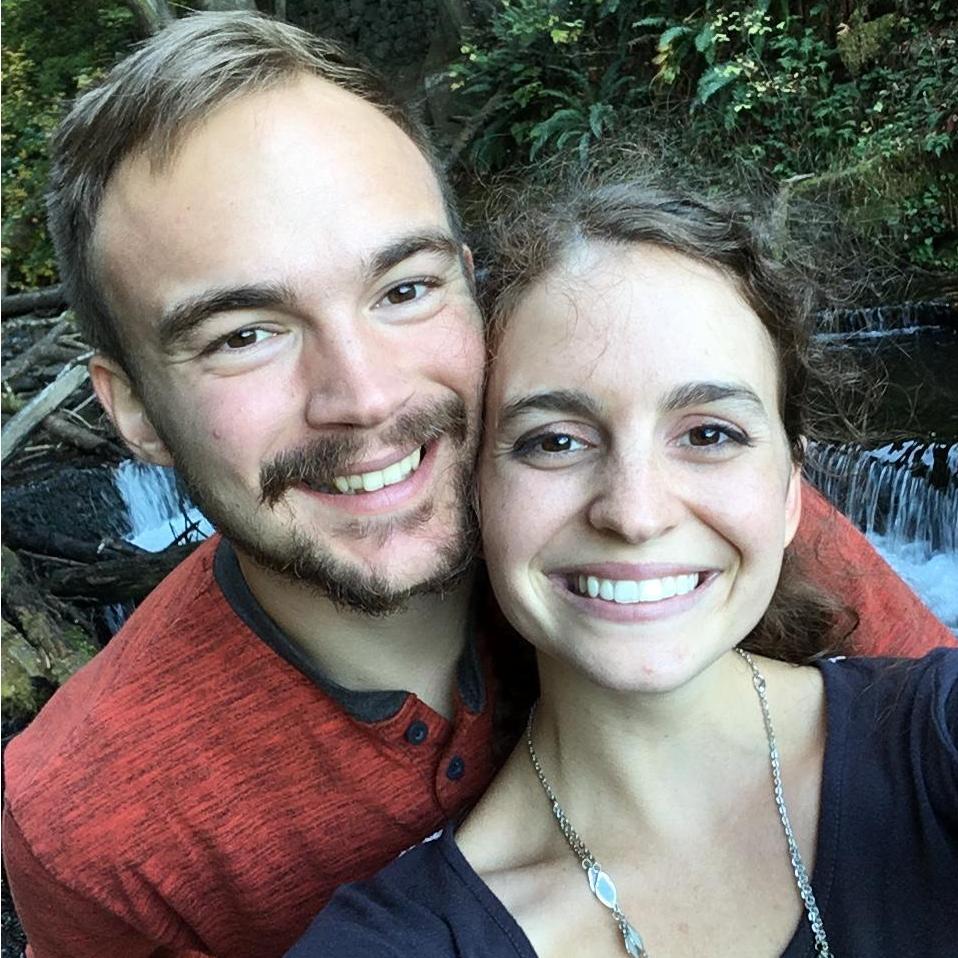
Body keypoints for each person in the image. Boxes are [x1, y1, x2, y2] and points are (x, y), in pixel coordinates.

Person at [2, 13, 952, 958]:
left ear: (469, 286)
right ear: (128, 407)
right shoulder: (90, 826)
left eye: (405, 289)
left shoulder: (680, 532)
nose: (365, 397)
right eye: (244, 334)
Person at [288, 183, 958, 957]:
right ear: (478, 497)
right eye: (555, 441)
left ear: (787, 494)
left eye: (709, 434)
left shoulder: (936, 741)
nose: (635, 513)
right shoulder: (398, 941)